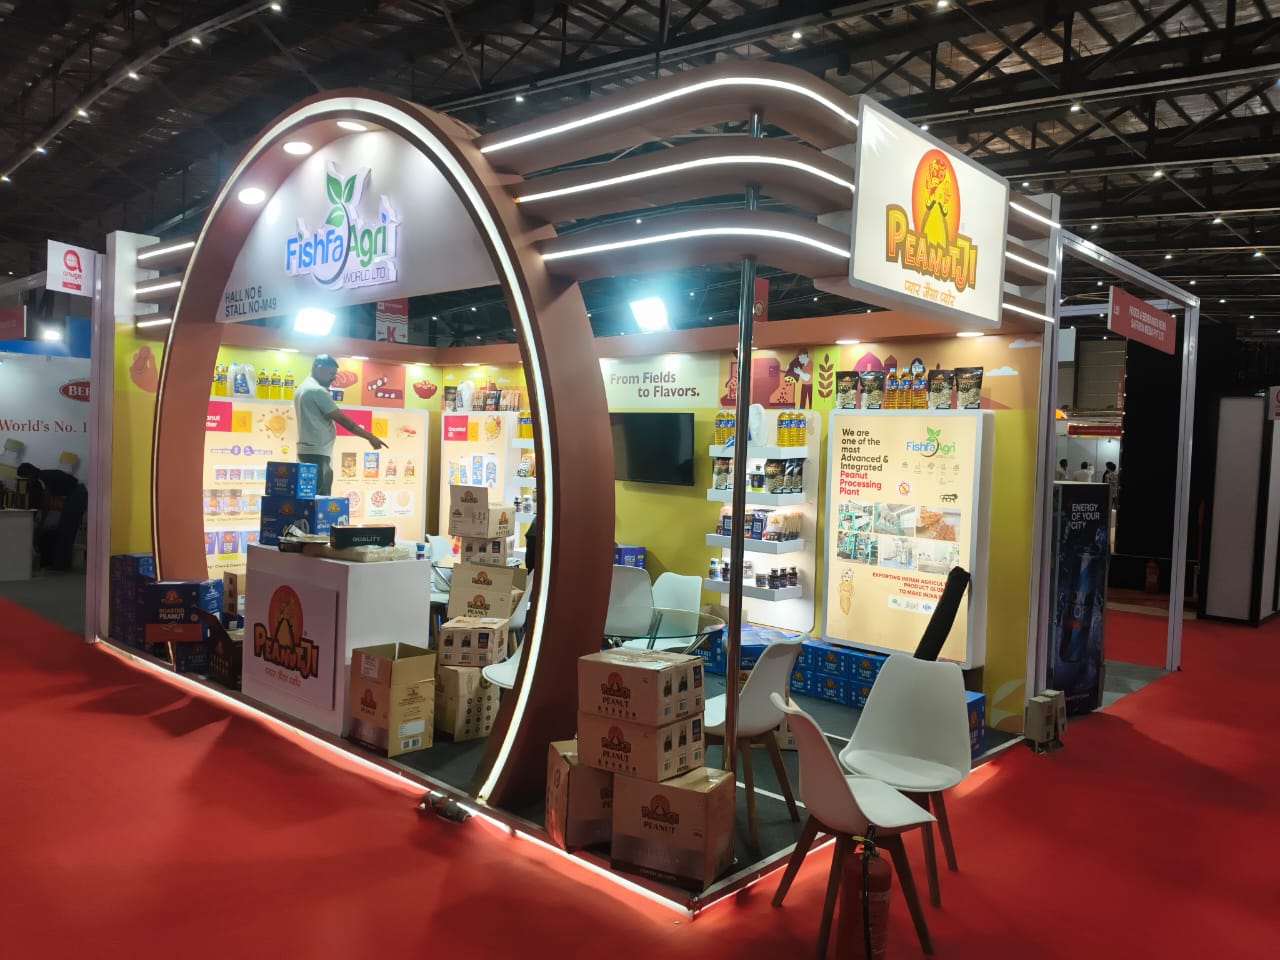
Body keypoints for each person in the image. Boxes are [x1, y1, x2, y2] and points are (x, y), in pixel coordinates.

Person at [293, 355, 385, 495]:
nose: (334, 378)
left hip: (306, 451)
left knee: (308, 495)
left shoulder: (302, 388)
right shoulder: (316, 391)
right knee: (320, 498)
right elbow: (344, 421)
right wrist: (370, 437)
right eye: (331, 373)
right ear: (319, 368)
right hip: (318, 453)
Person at [16, 462, 87, 571]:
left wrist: (41, 524)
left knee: (66, 531)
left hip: (77, 494)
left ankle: (61, 565)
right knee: (65, 530)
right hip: (77, 492)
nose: (27, 482)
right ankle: (61, 564)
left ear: (30, 474)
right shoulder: (44, 475)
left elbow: (47, 505)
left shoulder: (44, 479)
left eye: (26, 478)